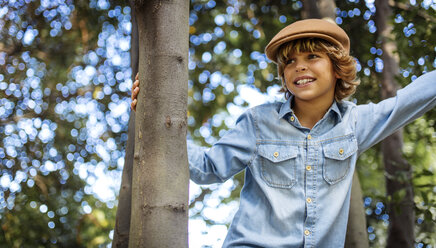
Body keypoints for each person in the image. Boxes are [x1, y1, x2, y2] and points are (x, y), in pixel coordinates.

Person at [131, 19, 436, 247]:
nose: (299, 68)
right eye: (290, 62)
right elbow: (208, 168)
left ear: (337, 68)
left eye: (312, 58)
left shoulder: (354, 123)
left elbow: (409, 101)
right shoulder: (258, 122)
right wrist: (152, 118)